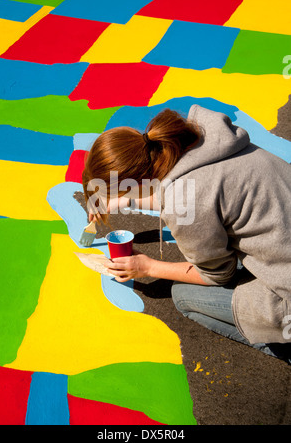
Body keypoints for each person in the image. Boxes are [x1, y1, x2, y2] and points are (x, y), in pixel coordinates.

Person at [82, 105, 291, 362]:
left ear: (133, 183)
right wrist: (127, 201)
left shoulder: (185, 200)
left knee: (183, 296)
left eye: (123, 192)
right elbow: (193, 190)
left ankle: (283, 346)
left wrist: (146, 267)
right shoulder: (199, 141)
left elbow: (217, 275)